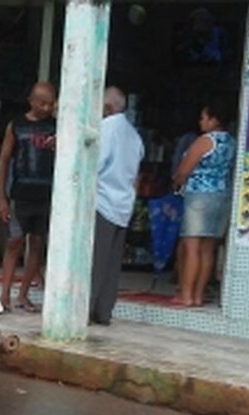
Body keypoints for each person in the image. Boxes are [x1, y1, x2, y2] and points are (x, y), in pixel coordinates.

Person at [0, 82, 57, 312]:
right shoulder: (17, 125)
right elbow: (3, 160)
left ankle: (23, 296)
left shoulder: (56, 126)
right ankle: (4, 296)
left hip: (46, 194)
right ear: (31, 101)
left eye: (50, 103)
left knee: (37, 244)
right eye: (42, 102)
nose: (47, 107)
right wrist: (1, 198)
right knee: (14, 242)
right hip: (20, 193)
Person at [172, 100, 236, 307]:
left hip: (199, 197)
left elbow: (183, 170)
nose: (200, 121)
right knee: (208, 250)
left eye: (203, 117)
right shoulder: (231, 142)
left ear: (214, 120)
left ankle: (186, 295)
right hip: (222, 196)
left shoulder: (205, 141)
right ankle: (198, 296)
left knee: (191, 247)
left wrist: (177, 183)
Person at [90, 87, 144, 326]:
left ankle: (85, 309)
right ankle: (103, 312)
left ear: (107, 108)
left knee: (94, 262)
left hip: (102, 202)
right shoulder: (134, 135)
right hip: (123, 205)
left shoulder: (106, 129)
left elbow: (94, 165)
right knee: (112, 264)